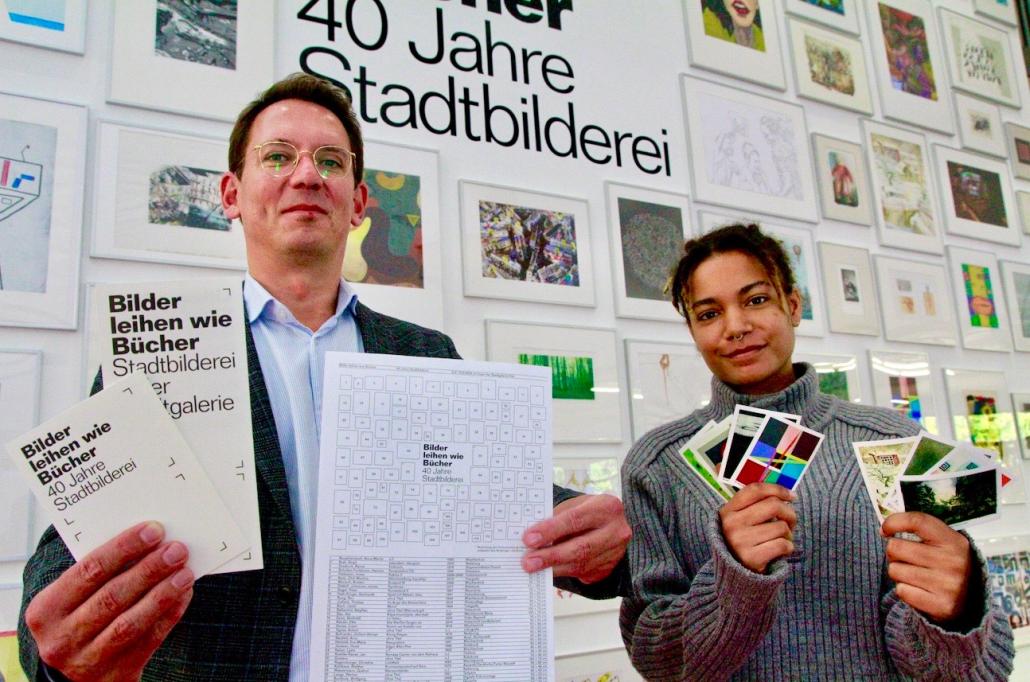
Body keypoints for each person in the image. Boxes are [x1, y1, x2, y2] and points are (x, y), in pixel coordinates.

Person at [18, 73, 630, 681]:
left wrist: (609, 546)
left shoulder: (424, 353)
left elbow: (500, 504)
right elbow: (75, 545)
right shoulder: (163, 353)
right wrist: (51, 651)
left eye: (331, 161)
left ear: (359, 202)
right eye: (278, 156)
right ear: (231, 195)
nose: (306, 175)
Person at [619, 223, 1014, 680]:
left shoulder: (890, 438)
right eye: (708, 314)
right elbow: (659, 660)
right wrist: (733, 578)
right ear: (692, 331)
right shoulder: (656, 464)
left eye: (756, 300)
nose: (736, 326)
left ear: (792, 305)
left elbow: (966, 669)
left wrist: (957, 610)